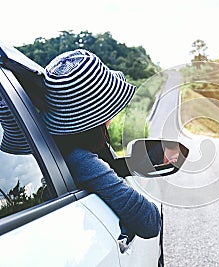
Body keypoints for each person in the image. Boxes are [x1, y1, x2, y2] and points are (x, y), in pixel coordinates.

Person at [41, 49, 161, 239]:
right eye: (109, 111)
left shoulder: (53, 149)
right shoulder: (80, 160)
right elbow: (150, 222)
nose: (112, 117)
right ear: (98, 117)